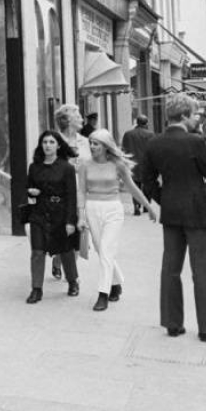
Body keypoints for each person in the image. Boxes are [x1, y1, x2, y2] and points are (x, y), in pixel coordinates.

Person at [136, 93, 206, 341]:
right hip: (197, 210)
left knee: (170, 268)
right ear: (184, 116)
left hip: (171, 210)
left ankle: (172, 323)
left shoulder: (154, 143)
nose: (197, 119)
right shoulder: (195, 141)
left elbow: (147, 180)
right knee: (201, 270)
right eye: (194, 114)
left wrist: (164, 198)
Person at [78, 129, 158, 312]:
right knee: (101, 250)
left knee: (106, 250)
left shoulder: (118, 164)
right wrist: (81, 216)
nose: (92, 147)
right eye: (91, 143)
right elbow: (81, 191)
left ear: (106, 146)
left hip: (113, 209)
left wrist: (149, 206)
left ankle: (103, 293)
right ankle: (116, 283)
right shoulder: (85, 165)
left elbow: (132, 187)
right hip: (92, 208)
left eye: (96, 144)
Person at [24, 131, 80, 304]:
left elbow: (72, 196)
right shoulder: (34, 167)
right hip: (39, 213)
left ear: (58, 145)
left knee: (65, 250)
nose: (47, 145)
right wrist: (31, 191)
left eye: (51, 142)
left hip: (60, 213)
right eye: (45, 142)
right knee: (37, 251)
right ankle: (36, 289)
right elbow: (28, 187)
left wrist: (71, 221)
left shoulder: (67, 168)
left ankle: (73, 281)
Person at [52, 104, 91, 280]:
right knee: (62, 232)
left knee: (77, 233)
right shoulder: (53, 140)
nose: (82, 118)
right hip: (60, 194)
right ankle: (58, 259)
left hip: (81, 193)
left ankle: (72, 275)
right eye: (78, 115)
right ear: (67, 120)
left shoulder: (85, 141)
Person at [122, 115, 156, 214]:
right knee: (147, 185)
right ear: (146, 123)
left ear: (137, 122)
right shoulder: (150, 135)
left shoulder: (128, 134)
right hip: (146, 164)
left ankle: (136, 205)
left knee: (134, 185)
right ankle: (146, 205)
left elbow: (124, 149)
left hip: (133, 164)